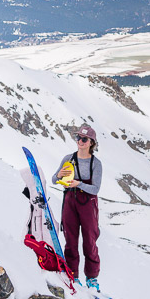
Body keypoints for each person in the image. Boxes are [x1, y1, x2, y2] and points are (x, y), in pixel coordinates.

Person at [52, 124, 103, 290]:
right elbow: (54, 179)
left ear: (91, 143)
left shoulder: (96, 163)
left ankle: (92, 278)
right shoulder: (68, 158)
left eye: (84, 139)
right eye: (78, 138)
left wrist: (79, 184)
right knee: (70, 240)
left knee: (90, 240)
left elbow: (95, 188)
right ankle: (73, 275)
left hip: (88, 204)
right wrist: (59, 175)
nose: (80, 141)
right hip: (70, 201)